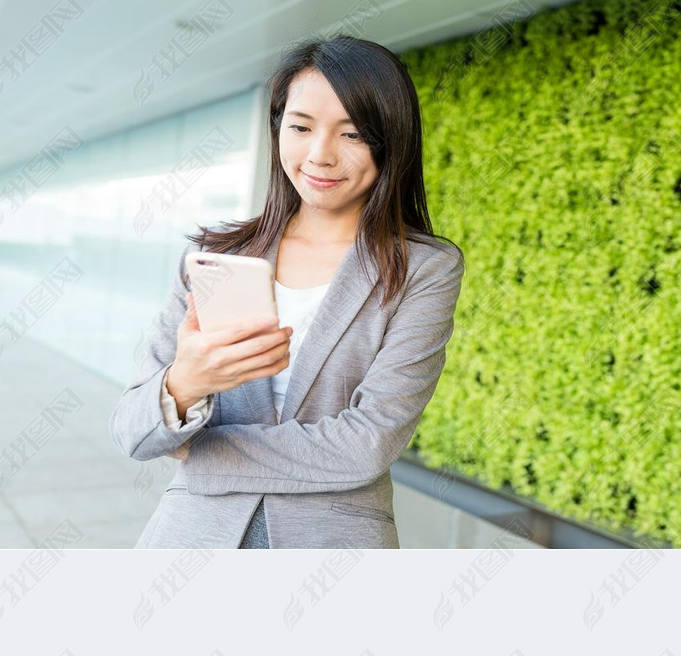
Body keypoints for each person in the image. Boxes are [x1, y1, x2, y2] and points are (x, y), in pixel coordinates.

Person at [108, 37, 464, 548]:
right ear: (278, 128)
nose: (320, 155)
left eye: (353, 134)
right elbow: (132, 430)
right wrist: (187, 381)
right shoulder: (215, 256)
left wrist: (200, 453)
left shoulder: (422, 269)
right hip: (191, 540)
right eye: (300, 127)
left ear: (392, 141)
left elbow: (366, 444)